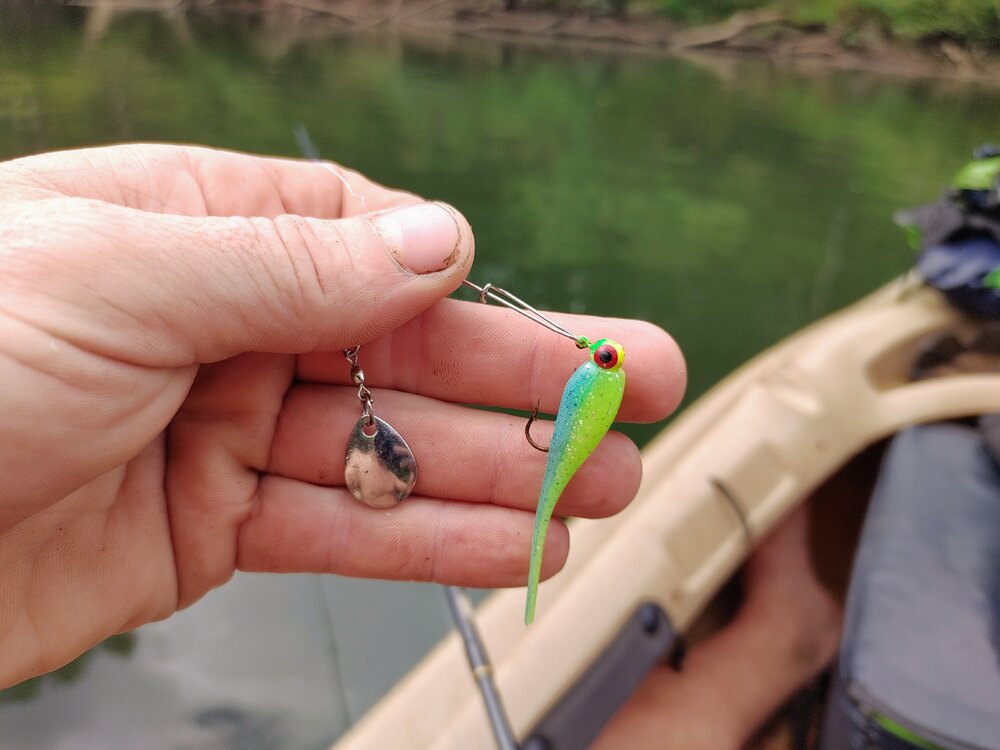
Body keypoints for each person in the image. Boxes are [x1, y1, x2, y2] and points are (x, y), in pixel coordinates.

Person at [0, 143, 685, 691]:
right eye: (604, 356)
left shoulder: (596, 381)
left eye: (605, 357)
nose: (603, 357)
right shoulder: (589, 374)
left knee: (540, 525)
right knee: (534, 529)